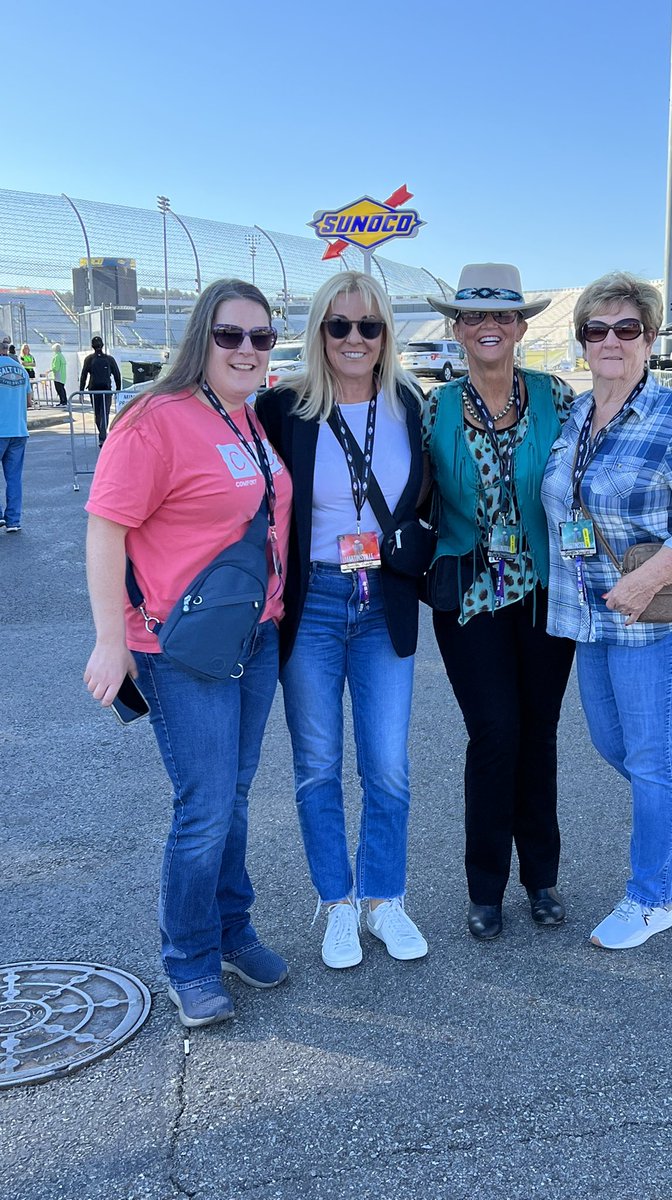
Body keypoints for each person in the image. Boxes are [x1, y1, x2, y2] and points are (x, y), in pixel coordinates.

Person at [83, 279, 293, 1027]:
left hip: (254, 638)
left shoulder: (246, 419)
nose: (246, 350)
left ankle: (234, 930)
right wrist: (113, 640)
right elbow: (107, 529)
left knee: (232, 799)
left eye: (261, 338)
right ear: (201, 337)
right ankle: (190, 959)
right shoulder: (154, 420)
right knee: (203, 808)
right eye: (230, 335)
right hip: (179, 648)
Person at [542, 271, 672, 950]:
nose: (611, 341)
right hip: (590, 615)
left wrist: (648, 577)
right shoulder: (575, 415)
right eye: (596, 329)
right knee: (613, 745)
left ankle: (651, 898)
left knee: (652, 756)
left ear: (650, 338)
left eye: (626, 329)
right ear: (582, 340)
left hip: (651, 617)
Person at [256, 271, 429, 970]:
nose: (355, 339)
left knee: (387, 767)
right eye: (339, 326)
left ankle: (384, 899)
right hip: (315, 602)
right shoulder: (281, 409)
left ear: (387, 335)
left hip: (384, 597)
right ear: (319, 332)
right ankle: (336, 901)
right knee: (317, 768)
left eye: (370, 327)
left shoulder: (411, 406)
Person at [423, 264, 576, 941]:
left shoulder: (556, 397)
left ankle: (540, 878)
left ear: (520, 327)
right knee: (494, 734)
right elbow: (402, 491)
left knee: (538, 735)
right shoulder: (433, 408)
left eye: (504, 317)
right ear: (457, 329)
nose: (490, 327)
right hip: (471, 595)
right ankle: (485, 887)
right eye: (475, 317)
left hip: (545, 589)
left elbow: (590, 478)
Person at [0, 340, 31, 532]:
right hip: (19, 430)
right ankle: (13, 520)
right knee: (14, 477)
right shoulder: (22, 369)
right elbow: (29, 401)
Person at [79, 335, 122, 446]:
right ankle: (103, 436)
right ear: (102, 345)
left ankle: (102, 435)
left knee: (98, 414)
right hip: (106, 390)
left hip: (94, 390)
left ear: (92, 346)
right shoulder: (109, 359)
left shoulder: (89, 359)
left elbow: (83, 375)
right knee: (104, 413)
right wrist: (118, 390)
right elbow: (117, 375)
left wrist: (81, 391)